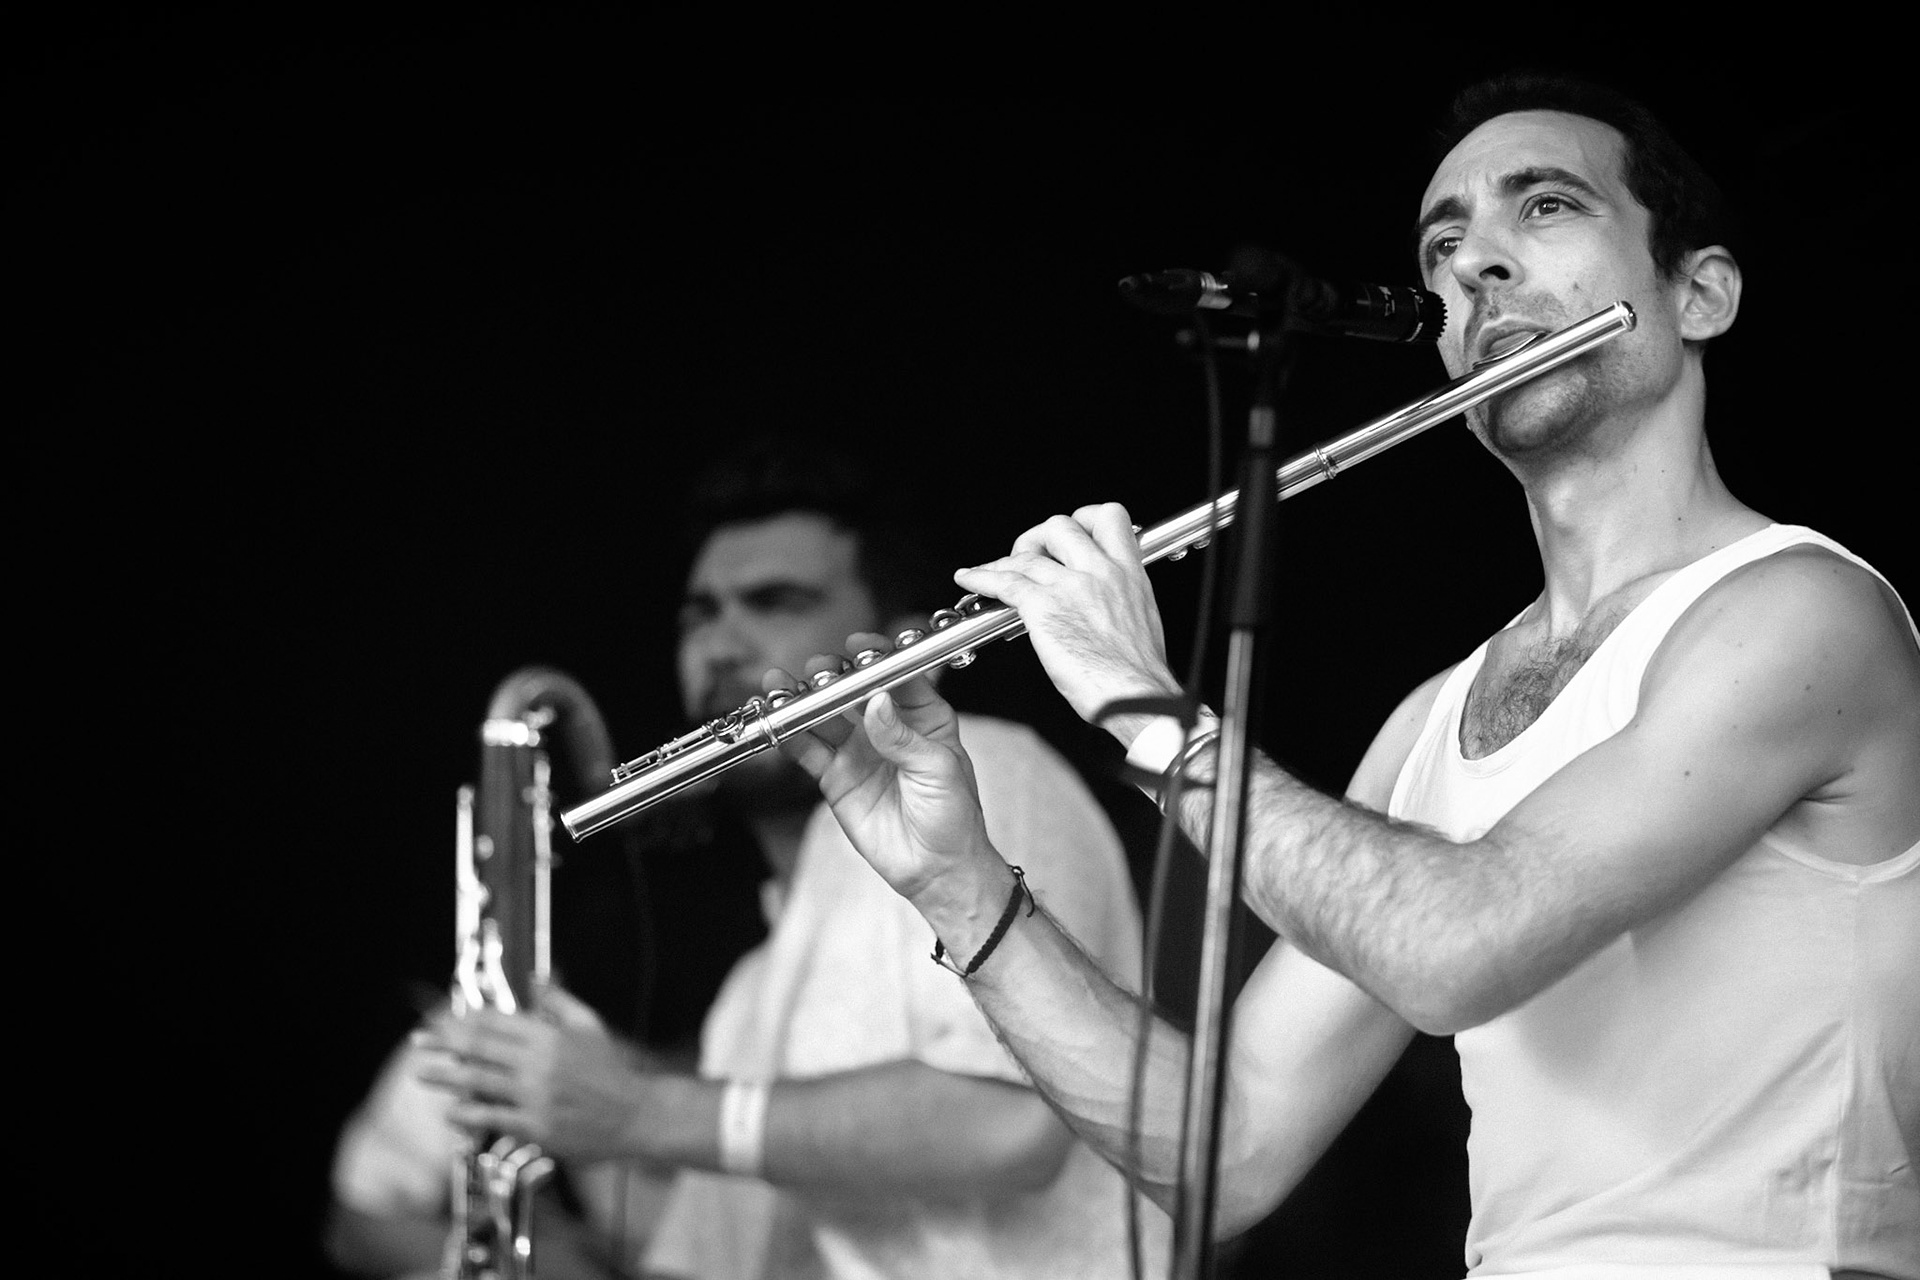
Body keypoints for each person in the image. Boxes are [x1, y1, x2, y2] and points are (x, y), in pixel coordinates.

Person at [767, 74, 1920, 1279]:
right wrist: (957, 888)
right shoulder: (1435, 720)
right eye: (1445, 241)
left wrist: (1140, 701)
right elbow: (1229, 1149)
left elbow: (1459, 947)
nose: (1477, 262)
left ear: (1700, 294)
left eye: (1545, 209)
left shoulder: (1802, 611)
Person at [411, 440, 1169, 1279]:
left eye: (774, 602)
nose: (722, 644)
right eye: (699, 614)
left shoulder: (989, 773)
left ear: (904, 642)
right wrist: (557, 1098)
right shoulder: (749, 998)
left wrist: (639, 1109)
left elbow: (1011, 1127)